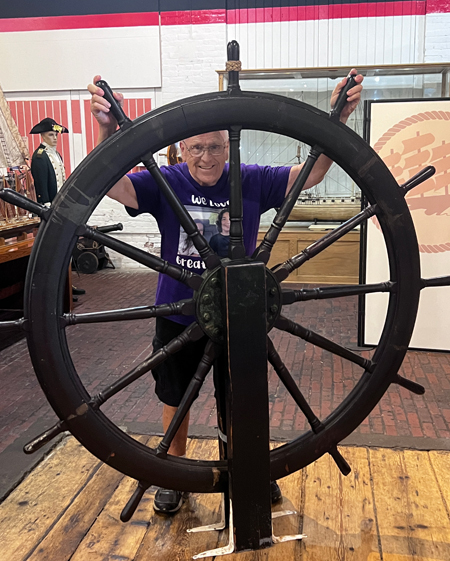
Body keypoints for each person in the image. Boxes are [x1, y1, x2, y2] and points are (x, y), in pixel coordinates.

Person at [88, 70, 363, 513]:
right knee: (174, 399)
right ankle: (172, 474)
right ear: (182, 149)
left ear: (228, 145)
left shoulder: (251, 179)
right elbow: (110, 183)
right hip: (179, 314)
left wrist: (337, 122)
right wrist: (106, 130)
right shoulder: (168, 181)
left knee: (242, 399)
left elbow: (310, 175)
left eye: (216, 146)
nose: (207, 157)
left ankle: (248, 467)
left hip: (239, 314)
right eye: (196, 147)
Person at [30, 118, 85, 300]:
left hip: (61, 207)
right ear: (43, 135)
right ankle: (59, 288)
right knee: (53, 250)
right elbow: (41, 186)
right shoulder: (39, 157)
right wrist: (46, 207)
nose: (55, 138)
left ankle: (67, 284)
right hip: (50, 208)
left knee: (64, 247)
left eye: (56, 135)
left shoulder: (56, 155)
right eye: (51, 135)